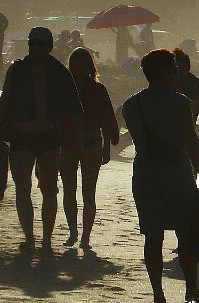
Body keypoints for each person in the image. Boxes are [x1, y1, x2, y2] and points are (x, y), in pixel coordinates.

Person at [122, 49, 199, 303]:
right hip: (176, 172)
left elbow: (133, 136)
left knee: (153, 236)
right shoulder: (180, 103)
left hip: (145, 173)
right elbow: (190, 141)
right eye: (173, 69)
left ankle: (158, 296)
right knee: (185, 233)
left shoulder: (131, 104)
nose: (177, 73)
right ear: (163, 73)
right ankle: (191, 290)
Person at [0, 27, 85, 254]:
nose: (35, 48)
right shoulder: (17, 70)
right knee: (22, 187)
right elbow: (4, 101)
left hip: (49, 136)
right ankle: (30, 238)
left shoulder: (60, 72)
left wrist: (79, 139)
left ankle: (45, 239)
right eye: (32, 43)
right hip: (21, 135)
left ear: (50, 47)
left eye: (40, 44)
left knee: (48, 189)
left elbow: (75, 109)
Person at [60, 48, 119, 248]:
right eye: (73, 64)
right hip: (68, 144)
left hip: (92, 143)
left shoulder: (98, 89)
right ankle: (73, 232)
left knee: (88, 193)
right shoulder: (65, 90)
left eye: (80, 64)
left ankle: (85, 236)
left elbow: (108, 119)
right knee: (69, 191)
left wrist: (108, 147)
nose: (76, 68)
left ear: (89, 66)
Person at [174, 48, 199, 174]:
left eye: (179, 69)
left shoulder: (197, 90)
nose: (176, 73)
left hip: (188, 149)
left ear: (186, 69)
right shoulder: (166, 84)